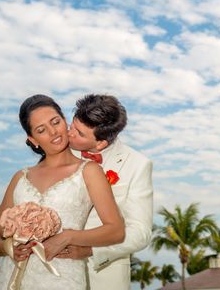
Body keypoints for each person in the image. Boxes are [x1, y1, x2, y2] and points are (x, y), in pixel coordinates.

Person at [0, 94, 125, 290]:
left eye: (55, 122)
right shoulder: (20, 177)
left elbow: (115, 230)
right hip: (14, 277)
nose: (53, 132)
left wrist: (67, 237)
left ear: (65, 120)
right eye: (41, 130)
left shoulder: (89, 171)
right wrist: (8, 247)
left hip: (62, 278)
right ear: (33, 139)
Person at [55, 94, 153, 290]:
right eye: (72, 125)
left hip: (104, 276)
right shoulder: (57, 150)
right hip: (55, 271)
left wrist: (91, 250)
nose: (70, 134)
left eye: (80, 134)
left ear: (101, 144)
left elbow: (140, 232)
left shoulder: (137, 165)